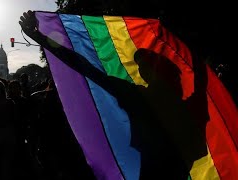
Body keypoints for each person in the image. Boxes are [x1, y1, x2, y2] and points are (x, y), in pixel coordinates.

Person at [19, 11, 209, 179]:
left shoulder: (137, 96)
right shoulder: (187, 103)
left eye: (145, 67)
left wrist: (40, 37)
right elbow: (84, 67)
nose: (141, 71)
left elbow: (85, 67)